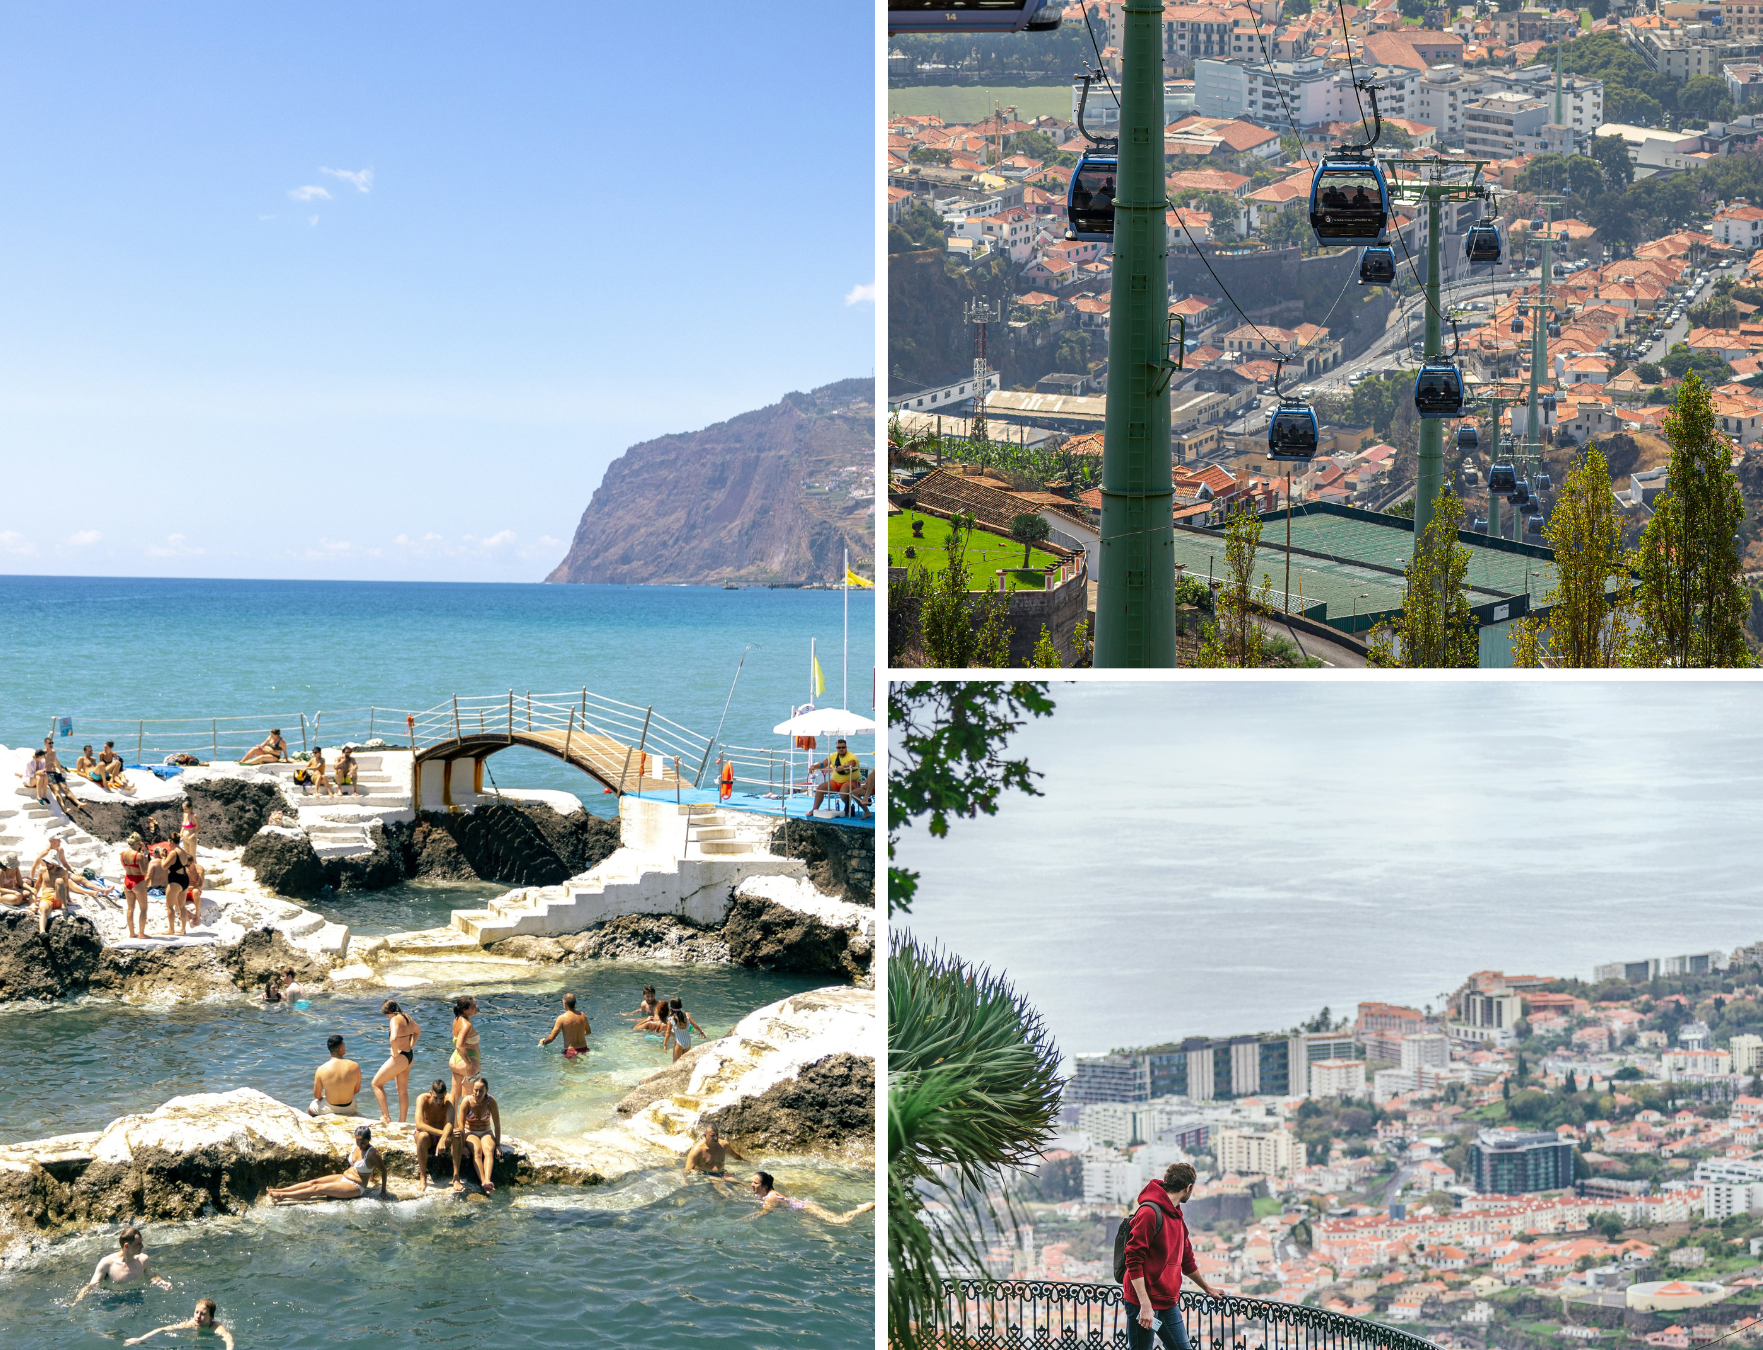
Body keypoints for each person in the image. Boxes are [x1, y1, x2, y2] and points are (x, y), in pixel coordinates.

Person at [1120, 1161, 1220, 1350]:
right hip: (1142, 1303)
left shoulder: (1176, 1215)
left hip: (1167, 1302)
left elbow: (1186, 1259)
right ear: (1188, 1187)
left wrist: (1207, 1288)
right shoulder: (1149, 1213)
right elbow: (1133, 1258)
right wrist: (1145, 1305)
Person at [267, 1123, 387, 1204]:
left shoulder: (373, 1154)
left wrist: (383, 1191)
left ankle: (283, 1196)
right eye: (357, 1142)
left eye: (363, 1143)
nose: (360, 1145)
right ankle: (280, 1190)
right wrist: (372, 1177)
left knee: (317, 1188)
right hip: (343, 1177)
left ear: (369, 1140)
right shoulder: (357, 1147)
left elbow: (383, 1170)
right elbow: (366, 1166)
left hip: (356, 1186)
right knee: (312, 1182)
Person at [72, 1227, 173, 1303]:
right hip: (112, 1299)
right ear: (126, 1246)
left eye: (141, 1243)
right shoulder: (107, 1263)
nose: (142, 1246)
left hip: (136, 1296)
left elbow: (152, 1276)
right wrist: (75, 1302)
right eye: (138, 1244)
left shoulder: (143, 1260)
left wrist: (162, 1282)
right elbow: (91, 1286)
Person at [746, 1171, 875, 1224]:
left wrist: (745, 1219)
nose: (752, 1185)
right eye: (752, 1182)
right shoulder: (763, 1194)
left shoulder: (770, 1198)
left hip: (807, 1208)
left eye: (755, 1183)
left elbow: (763, 1213)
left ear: (764, 1186)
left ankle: (864, 1208)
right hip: (801, 1211)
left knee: (839, 1222)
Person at [372, 998, 421, 1123]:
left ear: (389, 1011)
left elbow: (393, 1039)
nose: (387, 1017)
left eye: (386, 1014)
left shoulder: (394, 1019)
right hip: (409, 1056)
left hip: (400, 1058)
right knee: (402, 1091)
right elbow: (418, 1031)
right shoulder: (407, 1017)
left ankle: (385, 1116)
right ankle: (402, 1121)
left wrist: (394, 1052)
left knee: (376, 1084)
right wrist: (411, 1045)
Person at [453, 1076, 501, 1194]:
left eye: (481, 1091)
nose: (477, 1093)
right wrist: (463, 1145)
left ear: (487, 1091)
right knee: (477, 1149)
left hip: (486, 1131)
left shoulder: (491, 1101)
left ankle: (487, 1180)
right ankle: (484, 1181)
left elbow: (497, 1124)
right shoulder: (467, 1101)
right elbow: (461, 1125)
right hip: (470, 1131)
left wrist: (498, 1145)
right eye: (475, 1090)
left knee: (489, 1150)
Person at [124, 1297, 234, 1348]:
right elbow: (161, 1329)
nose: (198, 1316)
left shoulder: (216, 1327)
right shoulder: (189, 1324)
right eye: (196, 1312)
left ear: (210, 1317)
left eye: (203, 1314)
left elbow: (228, 1338)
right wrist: (139, 1339)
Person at [411, 1080, 453, 1193]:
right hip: (428, 1135)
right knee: (422, 1136)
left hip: (442, 1135)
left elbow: (450, 1123)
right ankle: (423, 1176)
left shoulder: (449, 1100)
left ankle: (456, 1176)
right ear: (430, 1093)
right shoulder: (422, 1099)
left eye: (441, 1098)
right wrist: (443, 1134)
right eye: (435, 1098)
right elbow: (419, 1125)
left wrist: (444, 1138)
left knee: (458, 1135)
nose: (439, 1102)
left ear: (445, 1094)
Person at [308, 1033, 362, 1116]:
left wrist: (326, 1096)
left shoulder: (321, 1069)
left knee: (310, 1109)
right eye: (344, 1045)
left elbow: (317, 1095)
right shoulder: (355, 1066)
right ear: (341, 1049)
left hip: (329, 1108)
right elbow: (356, 1090)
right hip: (349, 1108)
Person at [810, 738, 862, 814]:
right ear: (836, 748)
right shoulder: (833, 756)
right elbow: (823, 764)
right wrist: (814, 767)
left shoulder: (852, 757)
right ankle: (814, 810)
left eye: (843, 747)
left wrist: (843, 767)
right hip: (836, 781)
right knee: (820, 788)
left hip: (851, 781)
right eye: (839, 748)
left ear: (846, 748)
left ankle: (847, 805)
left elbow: (851, 764)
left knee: (843, 793)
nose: (841, 749)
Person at [448, 995, 481, 1107]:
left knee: (454, 1095)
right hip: (466, 1061)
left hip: (455, 1060)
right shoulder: (467, 1025)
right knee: (469, 1098)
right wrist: (469, 1065)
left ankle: (453, 1123)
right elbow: (460, 1045)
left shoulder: (457, 1019)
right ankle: (466, 1124)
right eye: (473, 1006)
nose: (476, 1007)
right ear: (465, 1010)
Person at [538, 992, 591, 1058]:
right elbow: (588, 1032)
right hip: (584, 1050)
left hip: (570, 1052)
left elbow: (552, 1038)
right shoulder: (582, 1015)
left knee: (569, 1068)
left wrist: (543, 1042)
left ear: (565, 1004)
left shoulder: (562, 1018)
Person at [162, 838, 196, 937]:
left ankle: (171, 929)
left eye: (168, 842)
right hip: (184, 880)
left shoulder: (173, 853)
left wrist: (163, 857)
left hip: (175, 880)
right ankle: (183, 929)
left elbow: (164, 866)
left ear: (172, 841)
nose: (168, 844)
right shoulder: (184, 852)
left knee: (170, 906)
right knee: (182, 906)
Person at [120, 832, 152, 939]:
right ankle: (141, 934)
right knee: (143, 908)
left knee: (130, 908)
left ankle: (131, 933)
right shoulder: (138, 855)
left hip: (127, 880)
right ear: (138, 843)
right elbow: (144, 871)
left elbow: (126, 867)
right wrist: (145, 859)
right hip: (138, 881)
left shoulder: (122, 854)